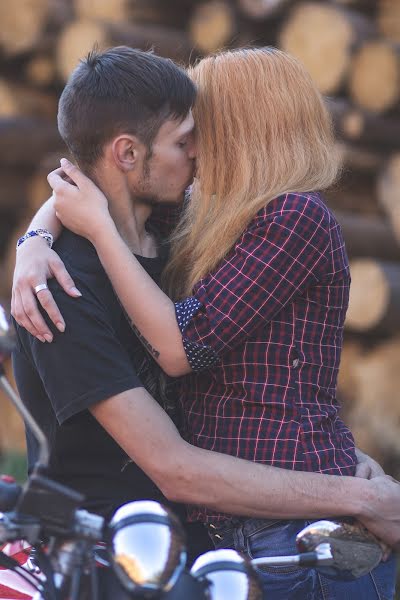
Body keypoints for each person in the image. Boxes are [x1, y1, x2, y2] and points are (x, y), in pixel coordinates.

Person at [12, 46, 399, 599]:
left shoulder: (231, 226)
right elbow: (175, 464)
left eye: (206, 131)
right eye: (184, 138)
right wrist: (37, 240)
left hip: (265, 540)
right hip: (135, 556)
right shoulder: (79, 279)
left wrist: (49, 230)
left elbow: (184, 346)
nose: (196, 151)